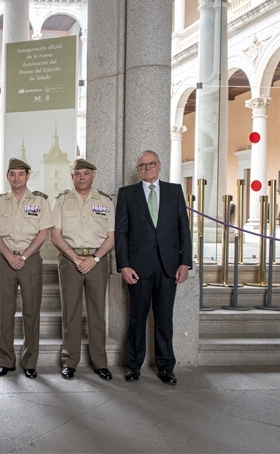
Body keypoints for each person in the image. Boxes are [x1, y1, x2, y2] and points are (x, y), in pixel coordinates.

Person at [115, 150, 192, 385]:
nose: (147, 168)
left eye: (151, 164)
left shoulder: (174, 191)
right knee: (137, 318)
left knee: (164, 319)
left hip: (168, 266)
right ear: (137, 169)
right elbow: (121, 233)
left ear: (159, 166)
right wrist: (124, 266)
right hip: (138, 268)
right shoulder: (127, 194)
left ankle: (166, 366)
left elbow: (183, 230)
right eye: (142, 165)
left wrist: (185, 262)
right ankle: (133, 366)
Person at [0, 158, 55, 379]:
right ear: (7, 176)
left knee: (31, 311)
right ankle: (5, 361)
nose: (16, 178)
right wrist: (9, 256)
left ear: (27, 176)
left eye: (20, 174)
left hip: (30, 260)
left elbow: (44, 233)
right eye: (12, 174)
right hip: (6, 260)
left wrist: (23, 256)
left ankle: (30, 362)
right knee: (5, 312)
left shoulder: (40, 201)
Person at [50, 159, 114, 381]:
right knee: (71, 312)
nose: (82, 177)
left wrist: (94, 258)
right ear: (72, 176)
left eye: (86, 173)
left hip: (98, 259)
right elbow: (55, 235)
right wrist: (75, 258)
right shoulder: (61, 202)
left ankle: (100, 362)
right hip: (70, 260)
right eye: (78, 174)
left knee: (97, 313)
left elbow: (111, 237)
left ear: (93, 176)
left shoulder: (105, 201)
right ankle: (70, 362)